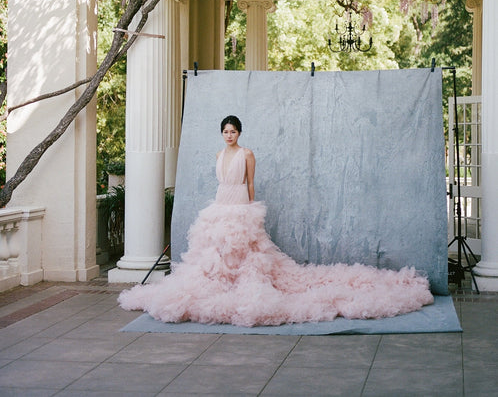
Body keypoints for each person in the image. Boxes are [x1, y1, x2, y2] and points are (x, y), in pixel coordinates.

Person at [118, 115, 433, 327]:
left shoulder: (247, 153)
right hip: (220, 202)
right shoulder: (218, 155)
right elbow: (220, 183)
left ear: (239, 134)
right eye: (225, 132)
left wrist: (251, 207)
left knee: (246, 249)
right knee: (214, 251)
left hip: (241, 201)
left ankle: (248, 283)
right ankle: (219, 284)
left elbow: (251, 183)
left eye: (233, 132)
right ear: (222, 134)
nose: (229, 136)